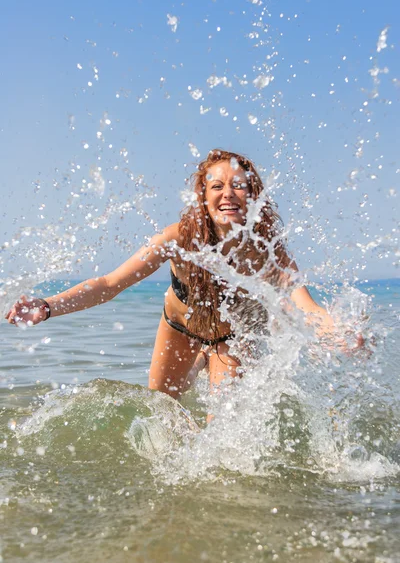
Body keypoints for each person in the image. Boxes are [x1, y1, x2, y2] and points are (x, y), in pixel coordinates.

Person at [5, 149, 350, 399]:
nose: (228, 193)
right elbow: (110, 285)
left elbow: (304, 305)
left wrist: (337, 331)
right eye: (217, 186)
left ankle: (209, 360)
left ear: (253, 196)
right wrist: (47, 306)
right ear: (203, 197)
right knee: (161, 403)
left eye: (239, 186)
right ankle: (197, 358)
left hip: (234, 337)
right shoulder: (178, 240)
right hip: (181, 326)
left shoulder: (267, 252)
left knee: (225, 427)